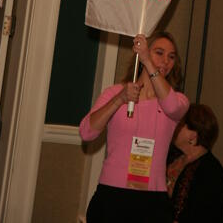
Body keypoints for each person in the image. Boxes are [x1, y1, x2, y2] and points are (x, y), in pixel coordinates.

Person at [79, 31, 189, 223]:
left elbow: (172, 108)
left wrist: (148, 61)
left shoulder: (177, 100)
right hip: (112, 196)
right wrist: (120, 99)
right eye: (159, 53)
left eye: (171, 57)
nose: (165, 61)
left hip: (152, 201)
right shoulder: (115, 92)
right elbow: (87, 132)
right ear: (141, 52)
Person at [166, 103, 223, 223]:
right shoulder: (173, 154)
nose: (174, 127)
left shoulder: (211, 172)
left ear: (193, 136)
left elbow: (201, 216)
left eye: (180, 124)